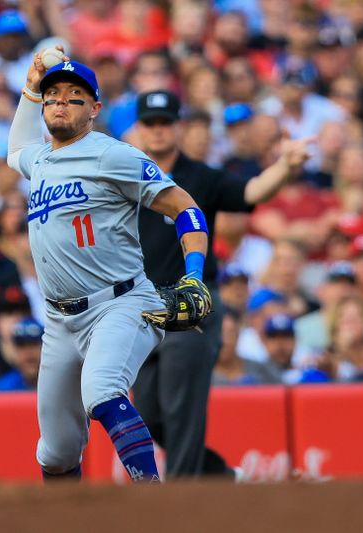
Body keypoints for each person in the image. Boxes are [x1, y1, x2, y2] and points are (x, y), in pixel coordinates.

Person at [6, 52, 309, 483]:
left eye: (75, 96)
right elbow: (16, 148)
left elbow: (186, 208)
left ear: (95, 110)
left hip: (120, 303)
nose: (60, 102)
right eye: (53, 95)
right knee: (55, 450)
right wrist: (30, 87)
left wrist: (194, 272)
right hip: (58, 319)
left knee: (103, 392)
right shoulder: (38, 160)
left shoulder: (114, 155)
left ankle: (156, 510)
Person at [132, 89, 310, 478]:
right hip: (142, 307)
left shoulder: (200, 176)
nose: (159, 130)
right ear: (139, 128)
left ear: (178, 127)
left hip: (191, 301)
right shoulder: (127, 176)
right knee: (144, 409)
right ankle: (217, 476)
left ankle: (183, 500)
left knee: (181, 406)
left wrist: (286, 165)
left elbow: (251, 192)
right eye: (151, 123)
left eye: (165, 122)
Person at [0, 317, 43, 391]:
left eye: (33, 344)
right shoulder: (1, 389)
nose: (29, 351)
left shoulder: (58, 385)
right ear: (14, 350)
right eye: (22, 345)